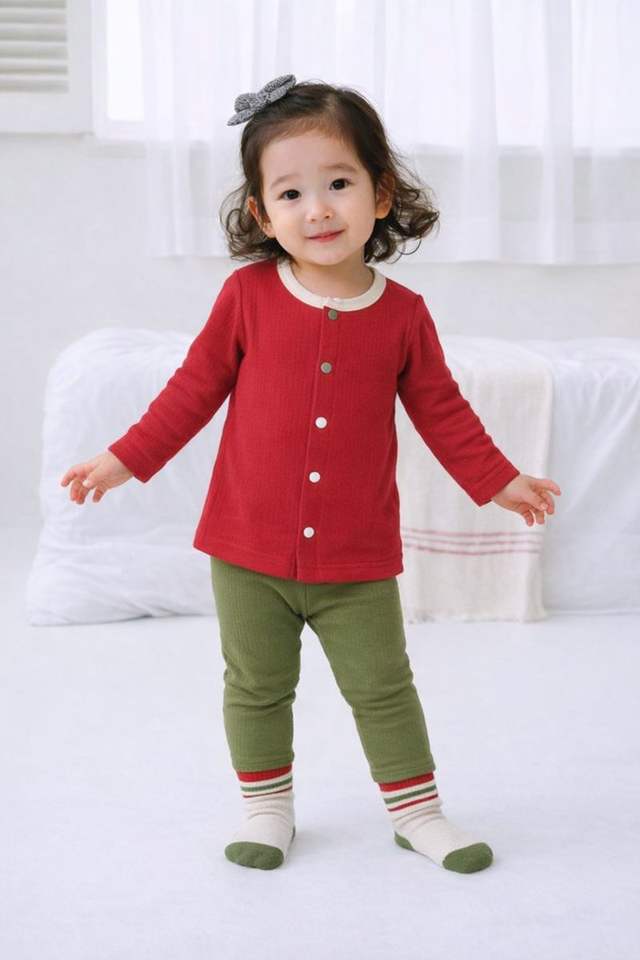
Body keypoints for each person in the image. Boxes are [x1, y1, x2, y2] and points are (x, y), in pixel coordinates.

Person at [60, 75, 561, 874]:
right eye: (290, 193)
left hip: (357, 557)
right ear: (263, 214)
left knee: (383, 687)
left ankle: (418, 814)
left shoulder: (403, 315)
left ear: (381, 194)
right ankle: (267, 810)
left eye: (338, 184)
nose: (317, 209)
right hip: (246, 548)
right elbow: (192, 390)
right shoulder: (247, 296)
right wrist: (124, 459)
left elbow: (443, 411)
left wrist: (500, 480)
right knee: (257, 686)